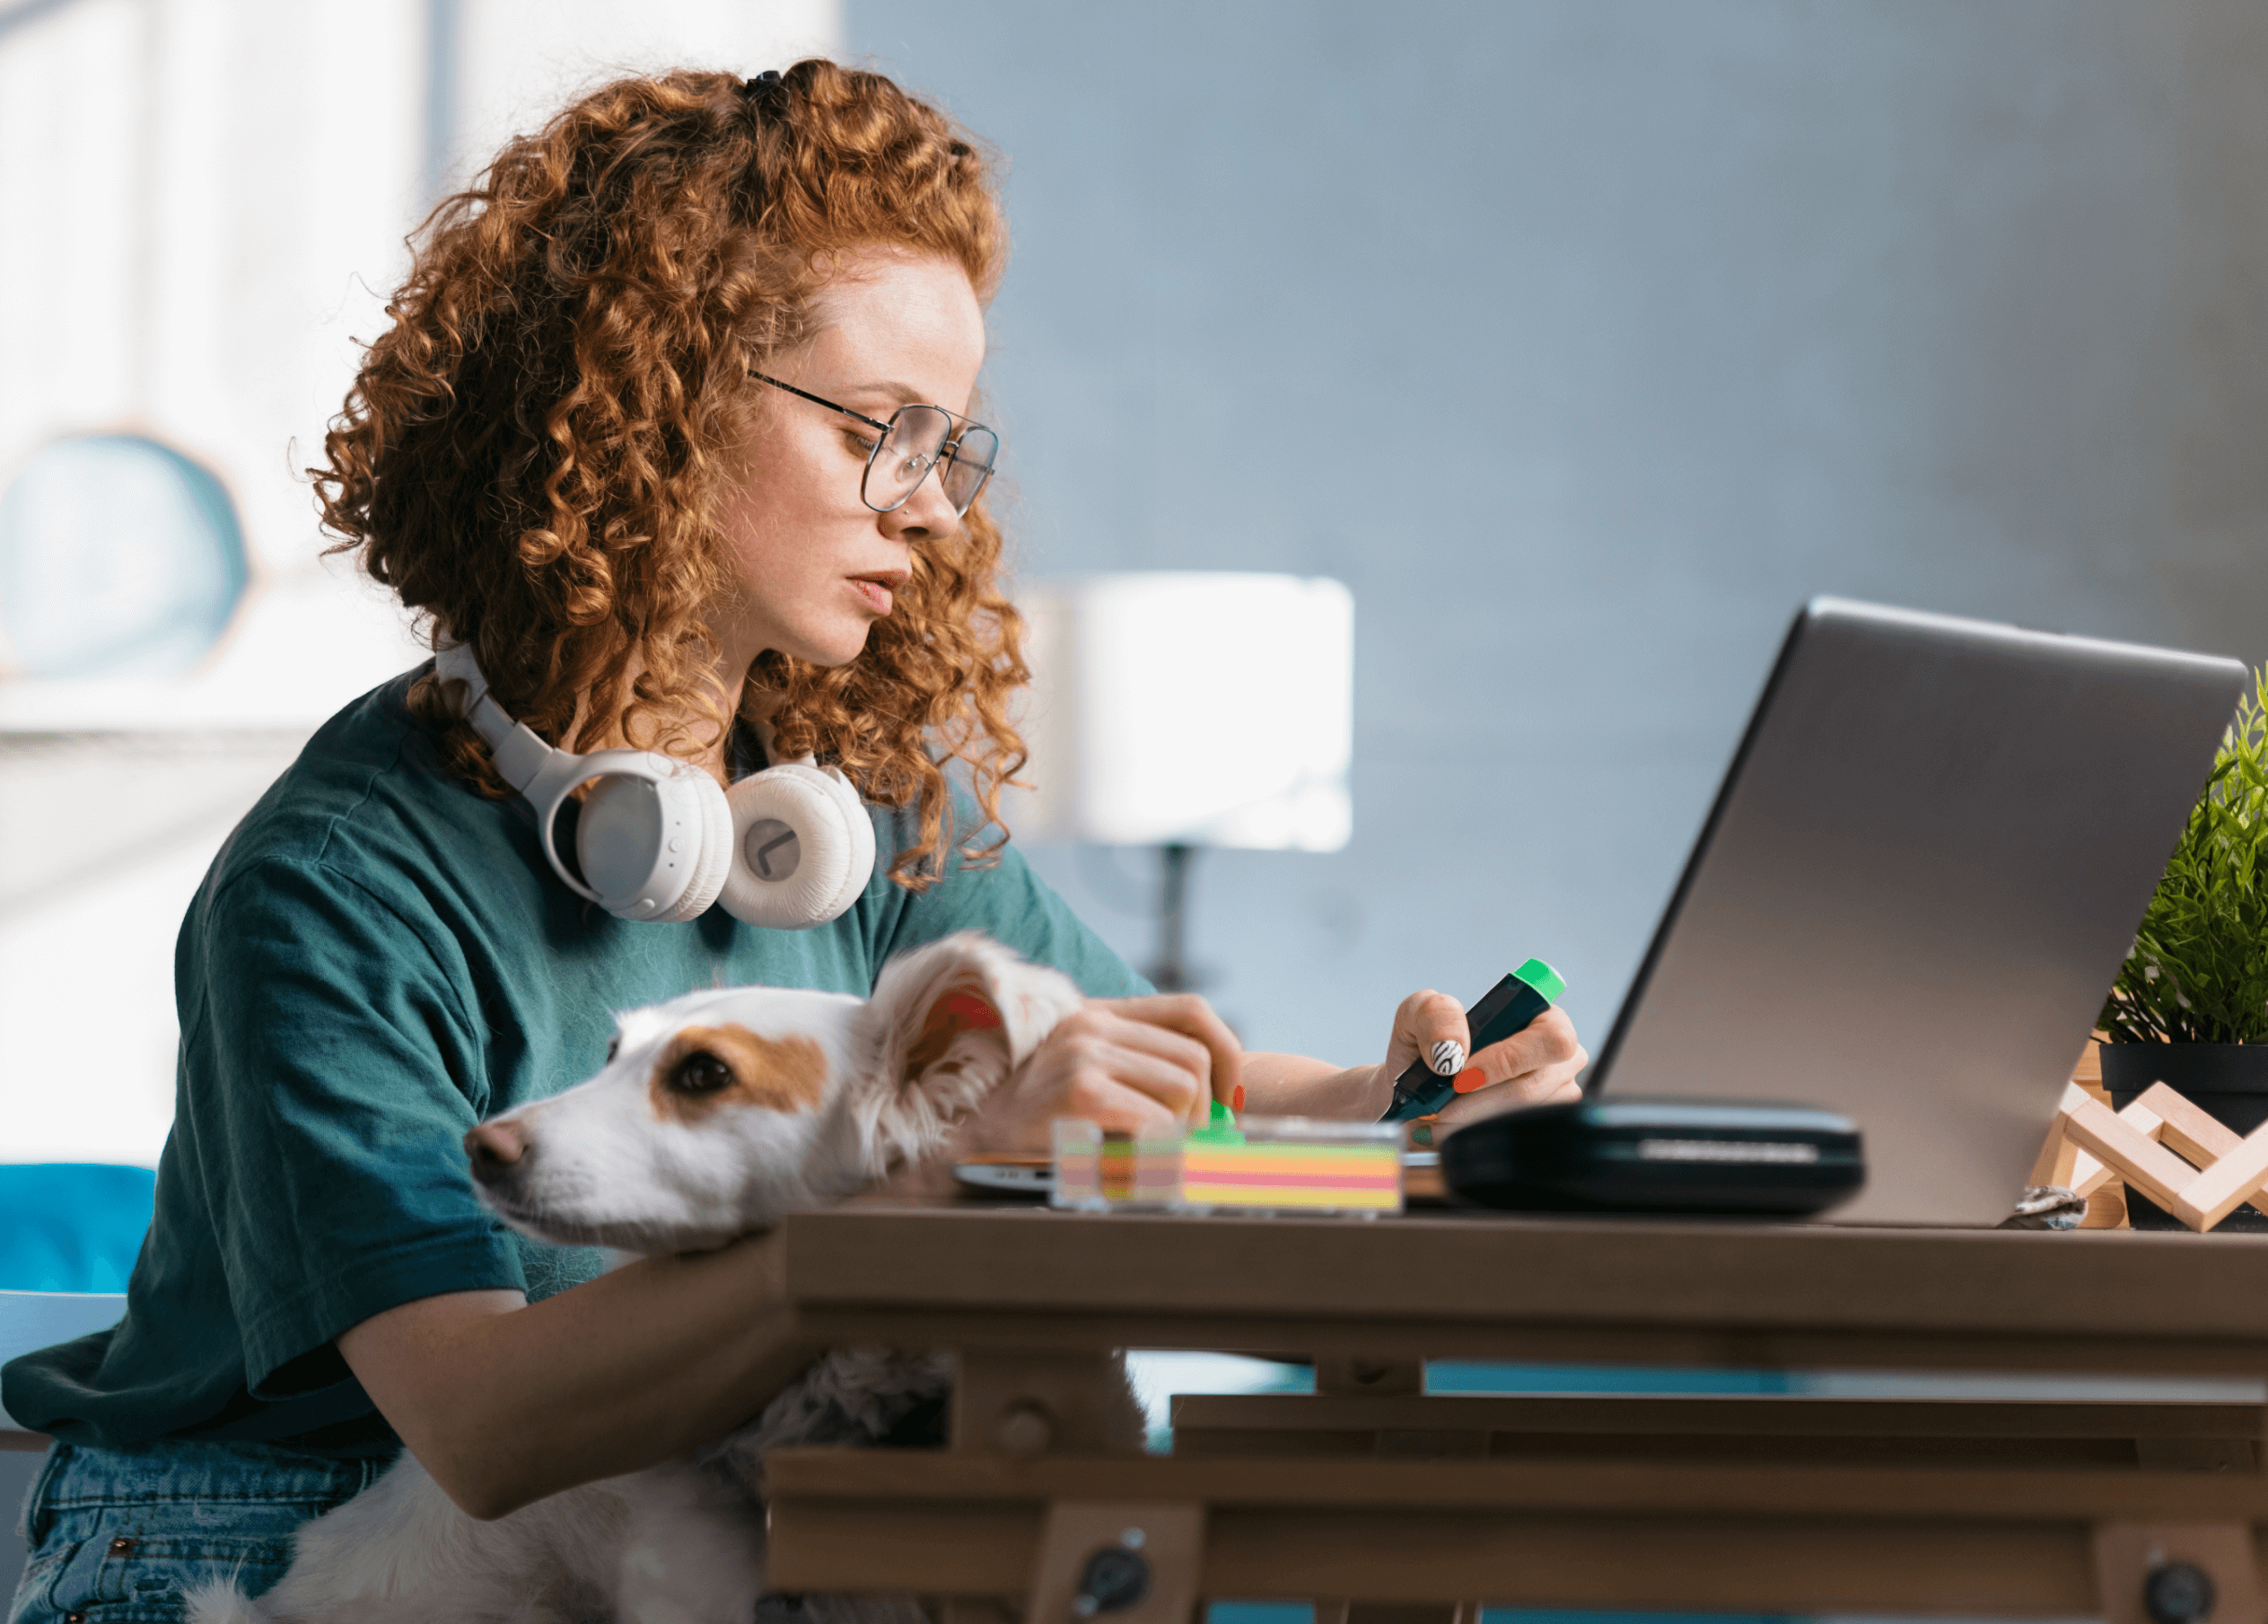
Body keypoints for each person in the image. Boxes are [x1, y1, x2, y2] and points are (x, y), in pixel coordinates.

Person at [2, 58, 1584, 1618]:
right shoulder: (338, 883)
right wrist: (935, 1198)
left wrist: (1408, 1105)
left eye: (947, 447)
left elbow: (1167, 1089)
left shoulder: (860, 811)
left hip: (643, 1548)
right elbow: (484, 1424)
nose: (934, 509)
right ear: (662, 400)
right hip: (259, 1553)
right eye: (880, 431)